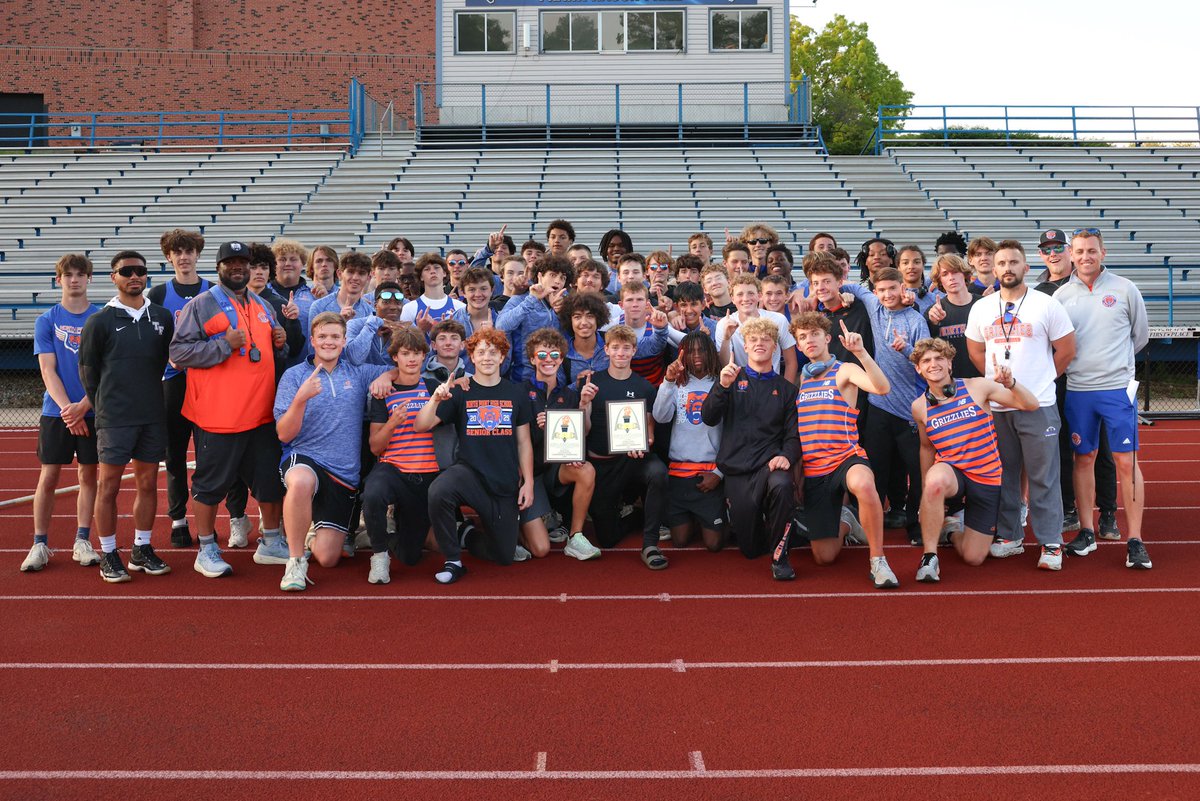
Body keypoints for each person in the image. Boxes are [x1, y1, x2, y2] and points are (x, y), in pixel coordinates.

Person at [169, 241, 290, 578]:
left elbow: (267, 352)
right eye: (230, 263)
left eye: (243, 263)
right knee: (210, 485)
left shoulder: (263, 305)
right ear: (219, 267)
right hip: (219, 416)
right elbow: (178, 353)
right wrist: (223, 345)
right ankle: (206, 547)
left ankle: (271, 541)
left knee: (268, 482)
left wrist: (281, 343)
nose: (238, 268)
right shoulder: (202, 304)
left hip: (261, 414)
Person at [965, 239, 1076, 570]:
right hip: (999, 407)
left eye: (1014, 262)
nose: (1007, 268)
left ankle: (1051, 541)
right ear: (993, 269)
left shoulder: (1046, 304)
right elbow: (975, 351)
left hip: (1037, 404)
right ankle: (1011, 535)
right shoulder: (982, 308)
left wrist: (1042, 380)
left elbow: (1066, 350)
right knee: (1005, 475)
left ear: (1025, 267)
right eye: (1001, 263)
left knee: (1044, 476)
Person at [273, 312, 393, 591]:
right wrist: (301, 399)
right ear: (313, 341)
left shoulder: (357, 372)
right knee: (301, 481)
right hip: (305, 457)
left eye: (335, 337)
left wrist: (386, 374)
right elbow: (284, 434)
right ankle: (295, 563)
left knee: (327, 558)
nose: (329, 342)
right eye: (323, 337)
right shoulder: (294, 376)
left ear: (344, 340)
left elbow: (401, 370)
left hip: (342, 472)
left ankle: (306, 531)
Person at [1056, 229, 1152, 569]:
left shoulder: (1125, 289)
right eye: (1079, 251)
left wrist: (1116, 367)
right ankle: (1086, 531)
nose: (1085, 257)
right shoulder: (1062, 296)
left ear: (1103, 252)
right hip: (1079, 390)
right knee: (1084, 458)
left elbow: (1139, 336)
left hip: (1116, 390)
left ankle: (1135, 539)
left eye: (1091, 250)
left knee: (1127, 462)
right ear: (1071, 254)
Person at [78, 250, 174, 582]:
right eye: (126, 271)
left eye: (140, 271)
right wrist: (103, 406)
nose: (134, 276)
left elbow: (163, 361)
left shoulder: (162, 316)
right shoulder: (99, 320)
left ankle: (141, 549)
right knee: (109, 486)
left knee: (148, 484)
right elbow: (88, 372)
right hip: (115, 418)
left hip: (151, 414)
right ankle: (107, 552)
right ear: (114, 277)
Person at [910, 338, 1039, 582]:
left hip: (986, 477)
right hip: (952, 474)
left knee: (974, 557)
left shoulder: (977, 387)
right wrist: (925, 497)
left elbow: (1030, 404)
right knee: (935, 480)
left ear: (950, 363)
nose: (933, 364)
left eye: (939, 358)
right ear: (919, 369)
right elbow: (926, 449)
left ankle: (951, 530)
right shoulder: (919, 407)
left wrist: (1011, 384)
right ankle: (929, 557)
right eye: (926, 361)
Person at [415, 327, 535, 584]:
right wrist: (435, 399)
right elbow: (420, 425)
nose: (487, 357)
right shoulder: (461, 391)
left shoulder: (516, 394)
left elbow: (524, 442)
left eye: (493, 352)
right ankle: (453, 560)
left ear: (503, 357)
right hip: (469, 473)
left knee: (503, 555)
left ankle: (466, 534)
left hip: (503, 482)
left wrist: (529, 482)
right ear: (472, 357)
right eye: (481, 352)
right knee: (439, 490)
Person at [791, 313, 900, 588]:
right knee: (824, 557)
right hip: (815, 469)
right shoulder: (801, 381)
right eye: (802, 337)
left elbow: (881, 387)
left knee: (863, 484)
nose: (809, 340)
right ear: (798, 345)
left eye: (814, 334)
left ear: (827, 338)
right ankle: (848, 521)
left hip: (846, 457)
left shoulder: (845, 370)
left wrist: (861, 352)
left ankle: (878, 561)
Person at [1033, 228, 1119, 535]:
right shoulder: (1039, 291)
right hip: (1056, 381)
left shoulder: (1089, 284)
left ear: (1070, 251)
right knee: (1061, 447)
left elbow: (1134, 334)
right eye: (1046, 249)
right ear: (1040, 255)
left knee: (1102, 450)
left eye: (1058, 247)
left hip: (1092, 380)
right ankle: (1069, 507)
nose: (1053, 254)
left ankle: (1108, 512)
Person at [700, 318, 799, 579]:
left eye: (765, 340)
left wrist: (786, 456)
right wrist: (722, 387)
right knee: (751, 549)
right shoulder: (731, 378)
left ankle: (781, 557)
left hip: (769, 466)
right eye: (753, 340)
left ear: (775, 348)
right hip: (738, 471)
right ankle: (784, 526)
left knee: (782, 484)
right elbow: (708, 417)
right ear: (745, 345)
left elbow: (793, 435)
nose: (759, 344)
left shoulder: (787, 390)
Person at [21, 253, 102, 573]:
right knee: (49, 476)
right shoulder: (47, 320)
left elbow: (104, 371)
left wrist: (84, 406)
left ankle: (82, 540)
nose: (74, 279)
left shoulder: (100, 318)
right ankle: (40, 543)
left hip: (92, 409)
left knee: (88, 475)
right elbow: (47, 369)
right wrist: (69, 410)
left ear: (89, 279)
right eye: (68, 274)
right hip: (57, 413)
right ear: (59, 280)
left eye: (80, 274)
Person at [147, 228, 225, 548]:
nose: (183, 257)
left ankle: (210, 521)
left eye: (189, 251)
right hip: (173, 381)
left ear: (197, 254)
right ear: (169, 257)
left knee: (209, 455)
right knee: (175, 454)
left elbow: (224, 336)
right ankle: (178, 518)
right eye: (177, 252)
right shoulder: (158, 294)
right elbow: (150, 339)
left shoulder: (214, 291)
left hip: (207, 383)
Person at [582, 325, 669, 568]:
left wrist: (645, 443)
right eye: (616, 348)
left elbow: (650, 432)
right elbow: (585, 430)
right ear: (607, 349)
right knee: (607, 539)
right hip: (602, 464)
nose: (621, 353)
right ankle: (634, 514)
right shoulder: (593, 383)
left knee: (658, 472)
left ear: (634, 351)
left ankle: (650, 543)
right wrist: (583, 403)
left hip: (633, 459)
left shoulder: (644, 387)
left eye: (626, 348)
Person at [362, 327, 441, 584]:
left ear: (424, 357)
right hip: (394, 468)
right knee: (373, 493)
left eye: (417, 353)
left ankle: (388, 532)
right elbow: (375, 446)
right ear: (395, 357)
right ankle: (380, 554)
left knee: (409, 556)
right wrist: (392, 422)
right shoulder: (383, 393)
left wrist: (462, 382)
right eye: (406, 353)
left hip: (428, 475)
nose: (411, 359)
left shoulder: (433, 387)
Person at [520, 327, 602, 561]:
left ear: (562, 359)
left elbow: (583, 431)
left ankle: (575, 536)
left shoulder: (571, 394)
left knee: (585, 469)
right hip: (528, 474)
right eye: (542, 355)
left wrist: (585, 405)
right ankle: (516, 531)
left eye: (554, 355)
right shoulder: (520, 392)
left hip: (556, 469)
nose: (549, 360)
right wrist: (538, 427)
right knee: (540, 549)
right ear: (533, 359)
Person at [653, 332, 726, 551]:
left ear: (711, 352)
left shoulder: (722, 383)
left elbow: (734, 434)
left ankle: (722, 514)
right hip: (680, 473)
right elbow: (660, 416)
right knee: (680, 542)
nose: (696, 355)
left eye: (701, 350)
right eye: (690, 351)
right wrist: (667, 381)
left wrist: (719, 474)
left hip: (711, 472)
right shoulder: (677, 384)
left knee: (714, 545)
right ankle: (693, 517)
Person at [497, 255, 572, 383]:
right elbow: (501, 326)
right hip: (523, 380)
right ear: (540, 276)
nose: (558, 281)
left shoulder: (568, 304)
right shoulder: (521, 299)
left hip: (557, 382)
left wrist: (562, 314)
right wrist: (532, 299)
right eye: (553, 275)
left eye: (562, 278)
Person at [714, 273, 798, 382]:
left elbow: (791, 362)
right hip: (740, 388)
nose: (746, 298)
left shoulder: (778, 320)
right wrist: (726, 338)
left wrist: (785, 394)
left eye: (750, 293)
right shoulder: (724, 324)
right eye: (740, 294)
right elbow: (725, 365)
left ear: (759, 296)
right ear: (732, 299)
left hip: (772, 386)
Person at [925, 254, 981, 379]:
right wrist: (933, 323)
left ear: (965, 274)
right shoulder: (933, 312)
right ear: (939, 280)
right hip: (951, 384)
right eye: (945, 274)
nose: (951, 278)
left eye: (955, 272)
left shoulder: (984, 305)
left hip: (985, 381)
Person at [345, 280, 405, 368]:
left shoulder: (407, 328)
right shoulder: (355, 325)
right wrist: (373, 325)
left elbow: (420, 366)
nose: (393, 307)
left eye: (398, 303)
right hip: (363, 381)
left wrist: (402, 338)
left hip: (395, 380)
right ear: (375, 305)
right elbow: (355, 359)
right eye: (386, 302)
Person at [310, 251, 374, 324]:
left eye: (361, 273)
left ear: (368, 278)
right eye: (350, 272)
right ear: (339, 274)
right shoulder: (319, 307)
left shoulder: (370, 313)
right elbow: (313, 335)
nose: (355, 277)